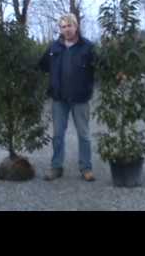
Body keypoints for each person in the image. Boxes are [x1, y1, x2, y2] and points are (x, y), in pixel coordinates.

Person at [38, 13, 96, 182]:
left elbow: (100, 66)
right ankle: (56, 167)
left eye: (69, 26)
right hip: (59, 99)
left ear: (76, 26)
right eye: (63, 27)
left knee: (84, 135)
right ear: (60, 29)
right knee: (57, 135)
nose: (67, 30)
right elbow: (41, 66)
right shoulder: (53, 48)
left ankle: (86, 168)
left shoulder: (88, 47)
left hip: (80, 98)